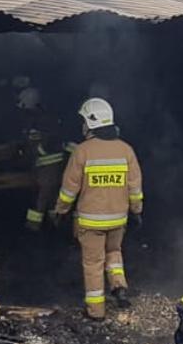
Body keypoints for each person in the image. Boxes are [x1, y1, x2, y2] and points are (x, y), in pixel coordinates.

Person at [54, 98, 144, 319]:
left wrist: (61, 211)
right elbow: (135, 187)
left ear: (91, 123)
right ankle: (119, 286)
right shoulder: (126, 150)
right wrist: (136, 211)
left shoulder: (82, 151)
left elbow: (69, 189)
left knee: (93, 263)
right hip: (118, 219)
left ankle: (96, 312)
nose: (82, 125)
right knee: (114, 252)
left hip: (90, 222)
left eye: (84, 121)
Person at [15, 87, 72, 235]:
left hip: (48, 165)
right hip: (46, 164)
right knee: (50, 197)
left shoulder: (39, 120)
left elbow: (37, 143)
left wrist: (32, 151)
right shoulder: (42, 117)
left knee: (41, 197)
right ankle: (56, 226)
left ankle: (34, 228)